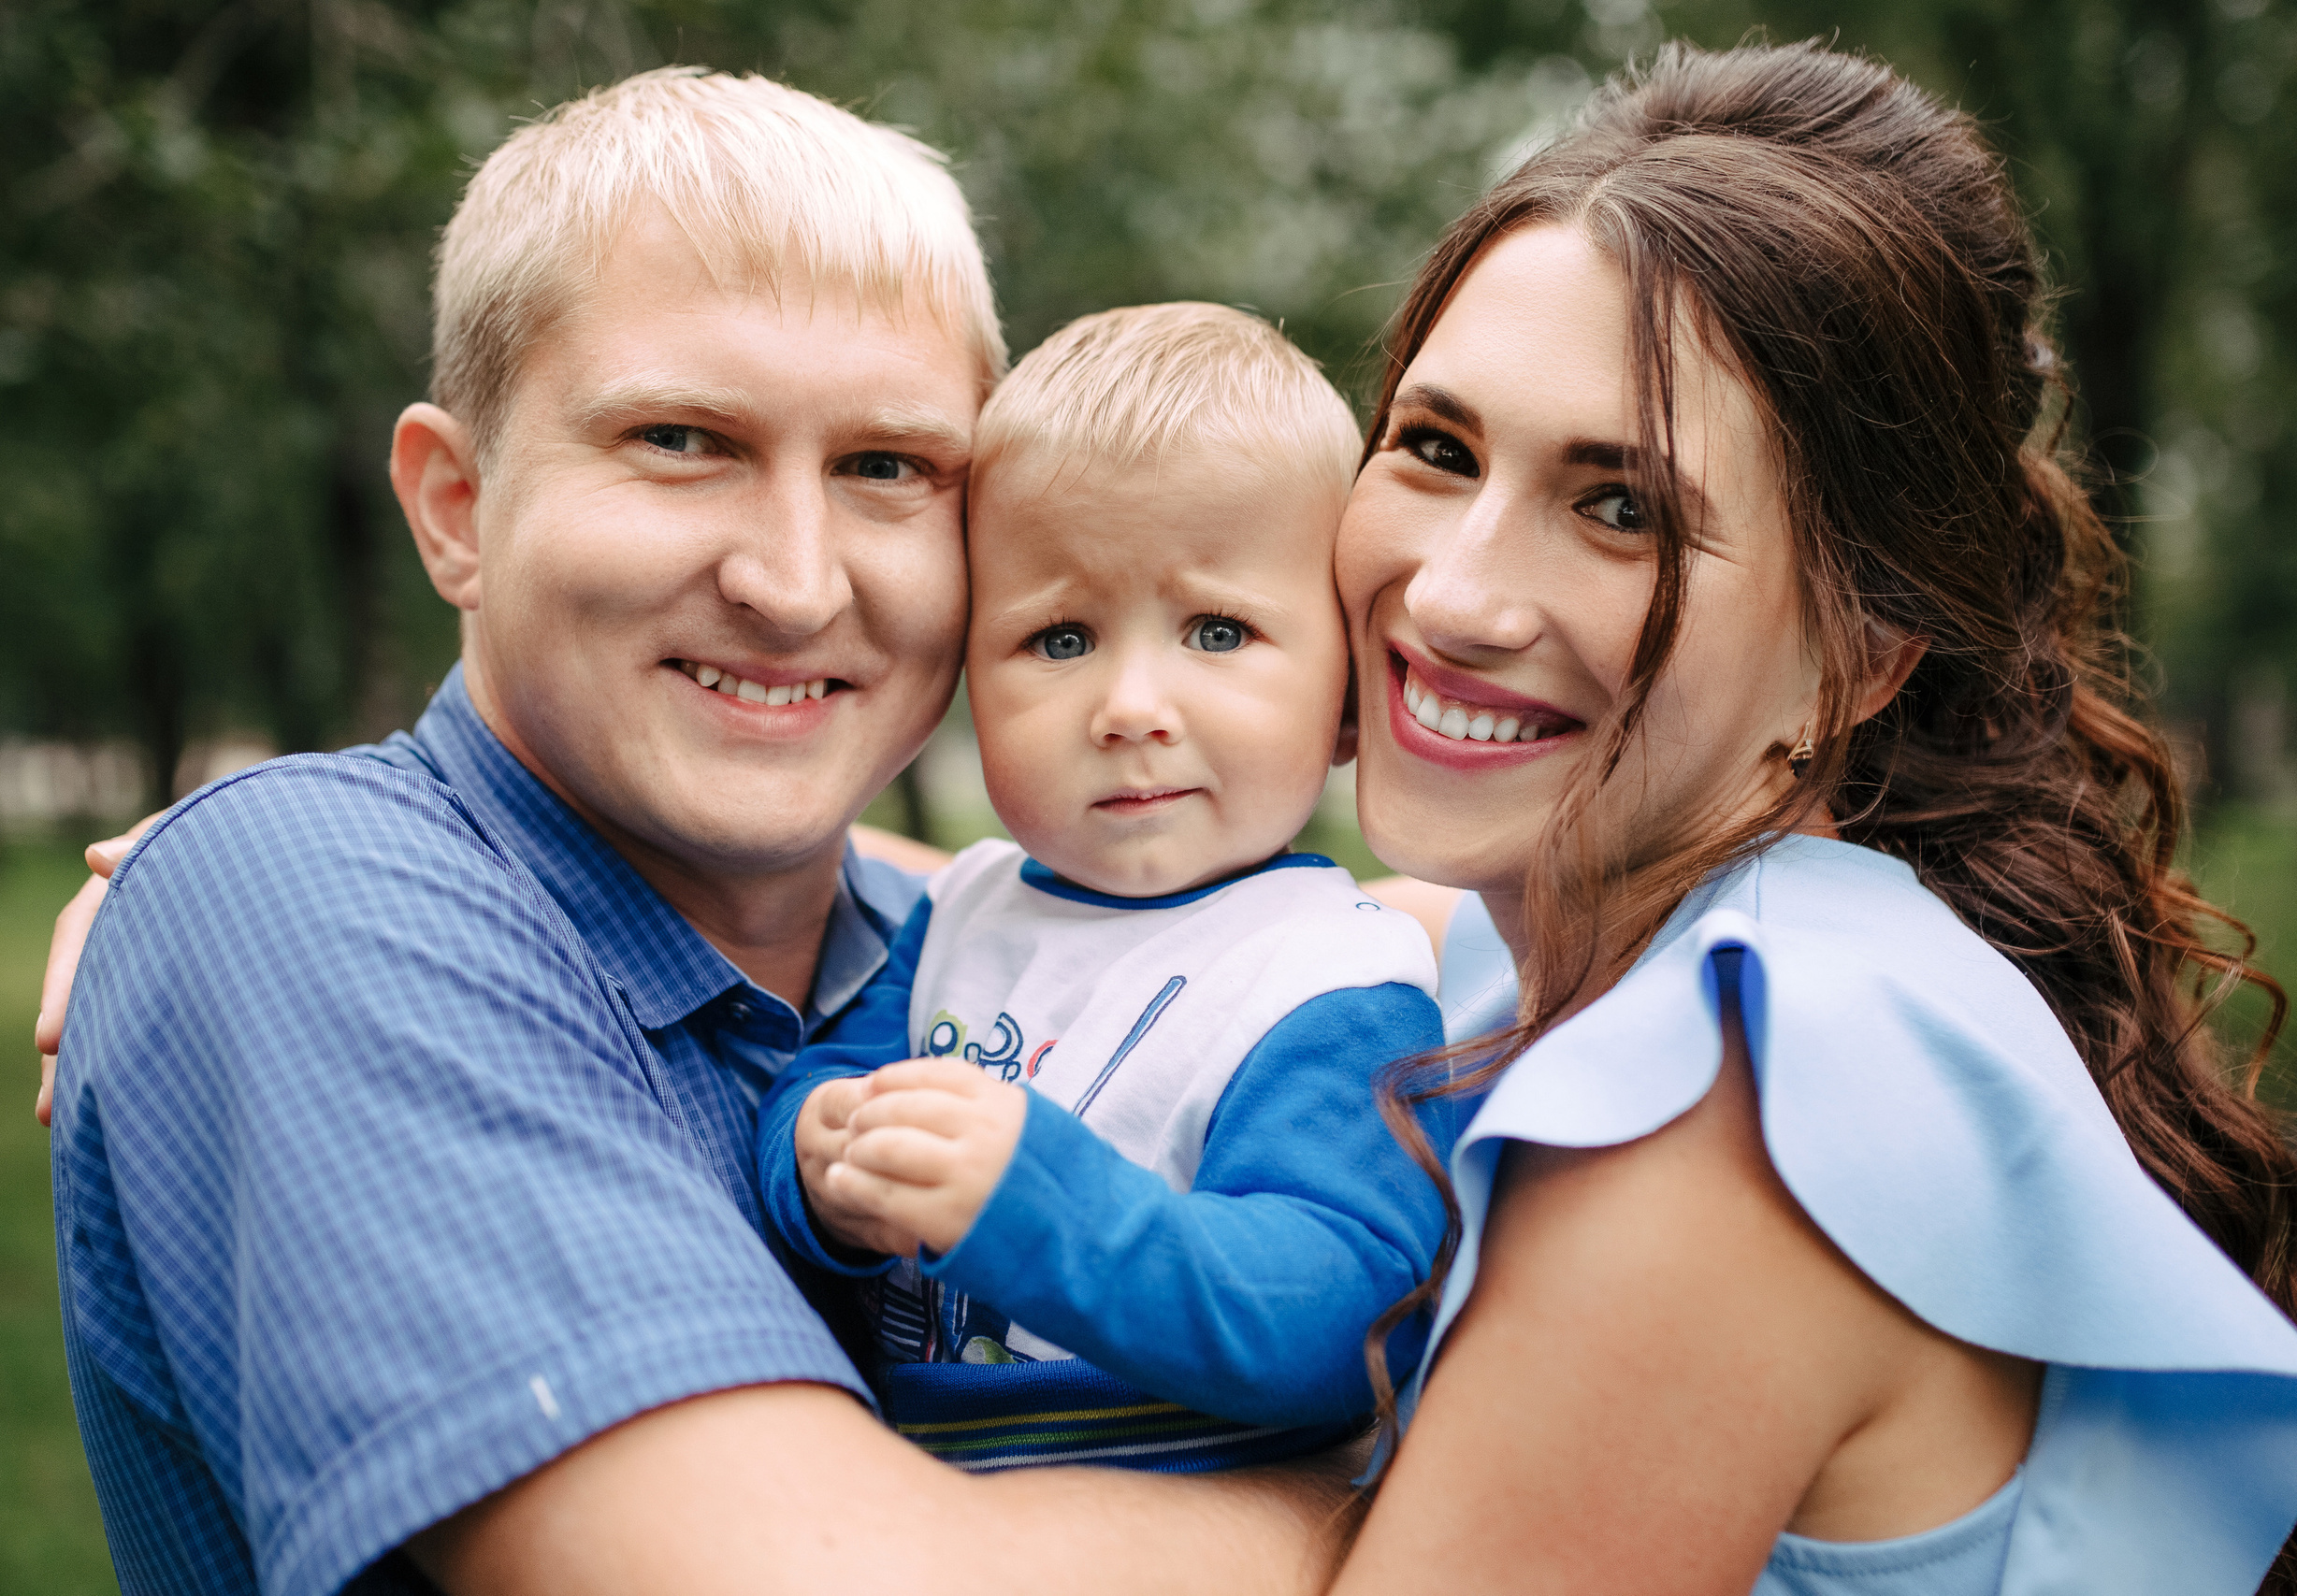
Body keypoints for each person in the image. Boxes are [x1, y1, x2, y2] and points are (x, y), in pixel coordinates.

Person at [41, 68, 1356, 1596]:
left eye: (886, 467)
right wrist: (1429, 1518)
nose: (794, 583)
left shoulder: (950, 947)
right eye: (680, 439)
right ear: (457, 506)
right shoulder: (311, 896)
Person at [1312, 42, 2297, 1595]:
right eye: (1437, 447)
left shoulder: (1726, 1117)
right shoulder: (1631, 946)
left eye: (1621, 508)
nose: (1456, 593)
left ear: (1866, 653)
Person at [753, 303, 1452, 1473]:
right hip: (904, 1477)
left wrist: (1041, 1204)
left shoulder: (1329, 980)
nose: (1129, 708)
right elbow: (827, 1076)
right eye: (1061, 639)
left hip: (1167, 1500)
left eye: (1217, 632)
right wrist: (814, 1156)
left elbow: (1343, 1312)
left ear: (1345, 699)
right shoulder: (964, 912)